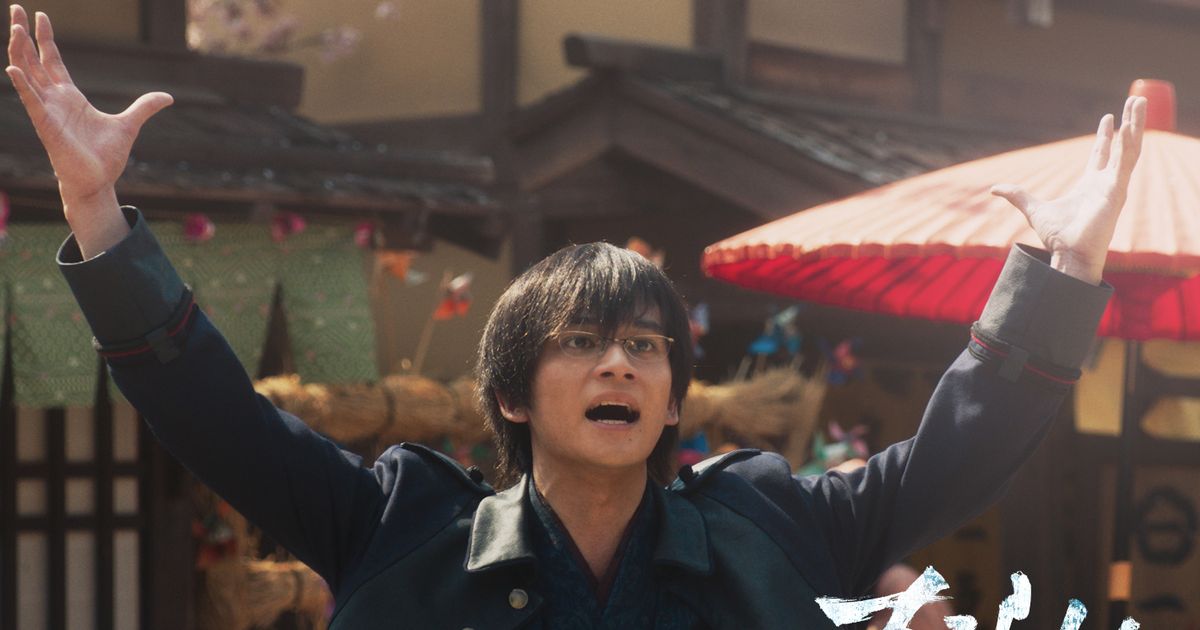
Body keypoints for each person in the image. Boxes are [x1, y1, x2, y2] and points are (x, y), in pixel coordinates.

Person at [6, 5, 1146, 628]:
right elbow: (214, 415)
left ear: (673, 395)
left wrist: (1066, 267)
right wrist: (98, 212)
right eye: (585, 343)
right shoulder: (398, 528)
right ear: (511, 393)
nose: (621, 366)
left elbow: (956, 454)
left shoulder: (774, 529)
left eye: (647, 347)